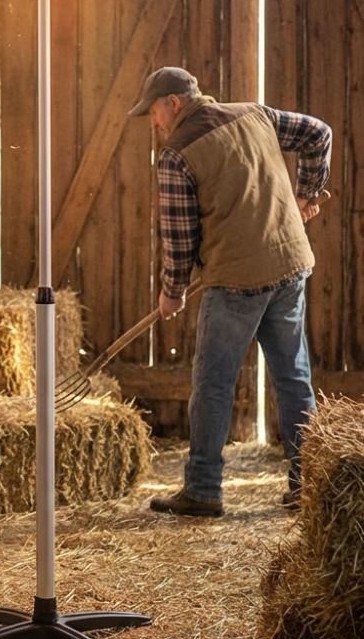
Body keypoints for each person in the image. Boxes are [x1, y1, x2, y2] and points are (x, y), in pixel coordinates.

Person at [127, 66, 332, 518]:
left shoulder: (177, 155)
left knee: (213, 383)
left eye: (154, 114)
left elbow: (179, 239)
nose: (154, 124)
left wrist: (172, 292)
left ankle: (202, 489)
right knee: (294, 379)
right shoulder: (254, 114)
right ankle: (308, 485)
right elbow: (319, 133)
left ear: (174, 104)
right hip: (290, 264)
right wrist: (306, 193)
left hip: (238, 281)